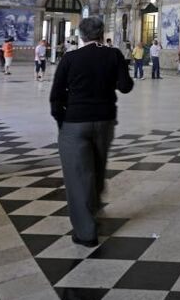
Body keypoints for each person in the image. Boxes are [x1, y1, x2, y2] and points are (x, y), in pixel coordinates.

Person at [50, 17, 133, 247]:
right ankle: (94, 208)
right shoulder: (113, 54)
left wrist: (62, 122)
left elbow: (56, 96)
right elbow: (125, 86)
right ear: (101, 33)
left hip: (75, 122)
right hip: (105, 120)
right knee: (97, 167)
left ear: (81, 35)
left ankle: (86, 233)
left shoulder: (70, 58)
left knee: (78, 176)